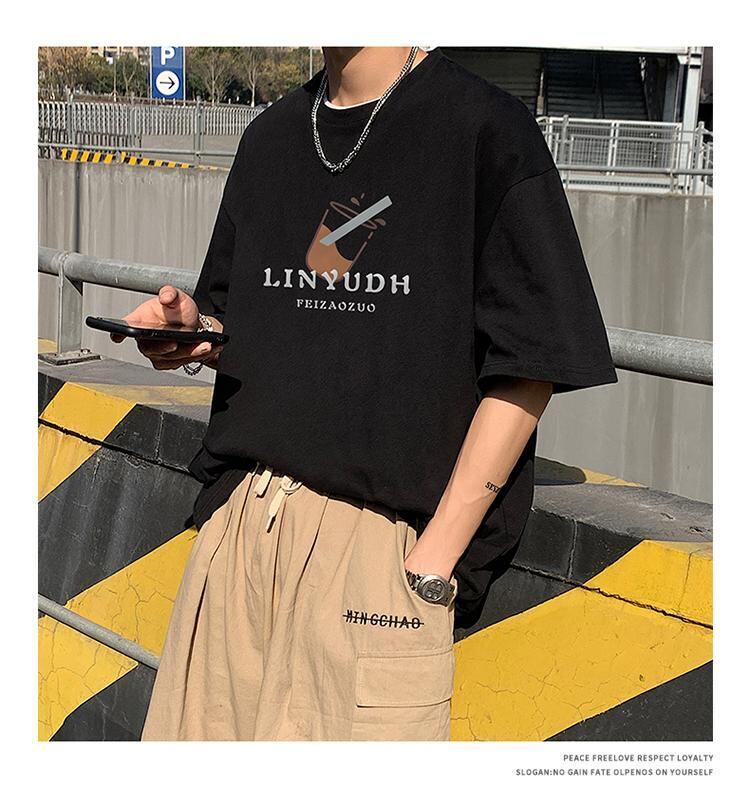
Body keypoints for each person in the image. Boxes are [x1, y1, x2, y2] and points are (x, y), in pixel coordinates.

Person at [122, 46, 617, 741]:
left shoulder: (484, 129)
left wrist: (430, 562)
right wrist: (190, 332)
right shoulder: (270, 136)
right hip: (242, 528)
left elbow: (531, 360)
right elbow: (245, 319)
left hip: (380, 551)